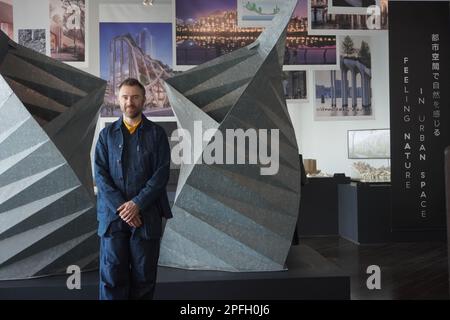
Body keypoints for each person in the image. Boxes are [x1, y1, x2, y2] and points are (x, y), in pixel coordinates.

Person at [94, 78, 172, 300]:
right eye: (125, 97)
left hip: (146, 216)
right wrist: (124, 208)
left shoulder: (157, 134)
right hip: (112, 218)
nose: (130, 101)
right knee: (112, 278)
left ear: (143, 100)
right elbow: (100, 176)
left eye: (135, 97)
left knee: (144, 278)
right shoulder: (106, 135)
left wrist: (137, 204)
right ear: (118, 100)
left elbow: (161, 175)